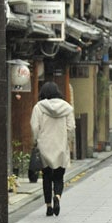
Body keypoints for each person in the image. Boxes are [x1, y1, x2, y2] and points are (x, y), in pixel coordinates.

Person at [31, 81, 76, 216]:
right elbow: (71, 127)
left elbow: (34, 127)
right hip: (61, 146)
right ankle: (57, 196)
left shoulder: (38, 107)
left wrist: (37, 140)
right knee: (58, 177)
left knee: (46, 177)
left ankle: (49, 207)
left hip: (44, 147)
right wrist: (67, 140)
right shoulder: (67, 108)